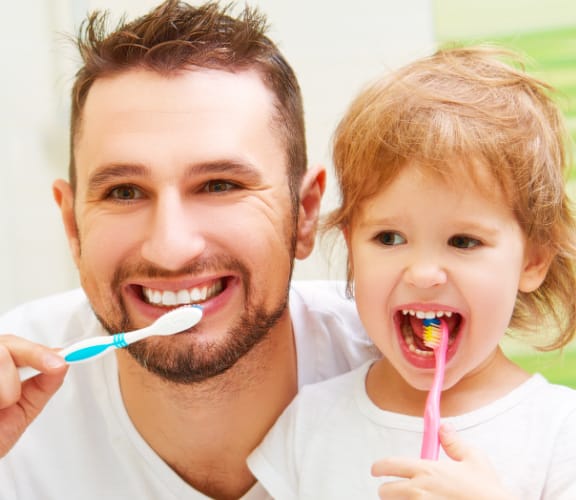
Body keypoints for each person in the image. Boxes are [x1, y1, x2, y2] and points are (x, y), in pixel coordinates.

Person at [0, 1, 379, 498]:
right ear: (72, 224)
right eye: (124, 192)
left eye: (220, 185)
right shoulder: (13, 404)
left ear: (304, 213)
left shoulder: (413, 374)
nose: (171, 249)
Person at [247, 46, 576, 499]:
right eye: (390, 238)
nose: (423, 273)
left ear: (534, 260)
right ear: (350, 246)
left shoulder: (560, 435)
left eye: (464, 242)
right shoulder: (310, 425)